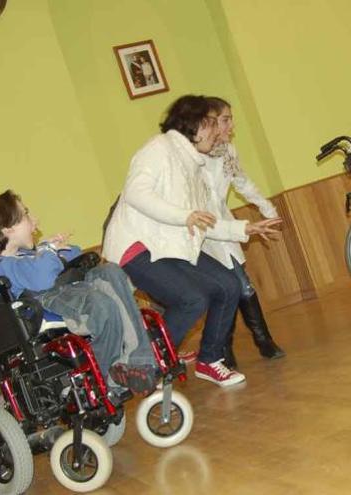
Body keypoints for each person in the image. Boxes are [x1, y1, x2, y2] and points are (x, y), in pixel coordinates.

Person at [102, 95, 281, 387]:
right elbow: (136, 193)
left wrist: (245, 229)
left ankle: (209, 360)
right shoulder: (158, 149)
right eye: (211, 125)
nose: (219, 132)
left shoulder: (195, 166)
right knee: (192, 299)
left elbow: (203, 221)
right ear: (194, 126)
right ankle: (146, 364)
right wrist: (184, 215)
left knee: (229, 284)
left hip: (168, 246)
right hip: (137, 246)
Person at [0, 190, 157, 397]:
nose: (34, 221)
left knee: (110, 272)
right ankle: (107, 376)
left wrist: (54, 252)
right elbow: (42, 279)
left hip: (70, 289)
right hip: (42, 303)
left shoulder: (26, 255)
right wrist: (48, 250)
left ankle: (138, 363)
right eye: (26, 215)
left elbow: (73, 253)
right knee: (102, 305)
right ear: (7, 229)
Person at [201, 97, 285, 369]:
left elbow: (242, 183)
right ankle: (224, 347)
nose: (230, 126)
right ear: (209, 123)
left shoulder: (228, 152)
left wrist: (267, 209)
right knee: (223, 289)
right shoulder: (193, 158)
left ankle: (262, 340)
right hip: (202, 232)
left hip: (226, 227)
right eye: (225, 120)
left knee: (241, 284)